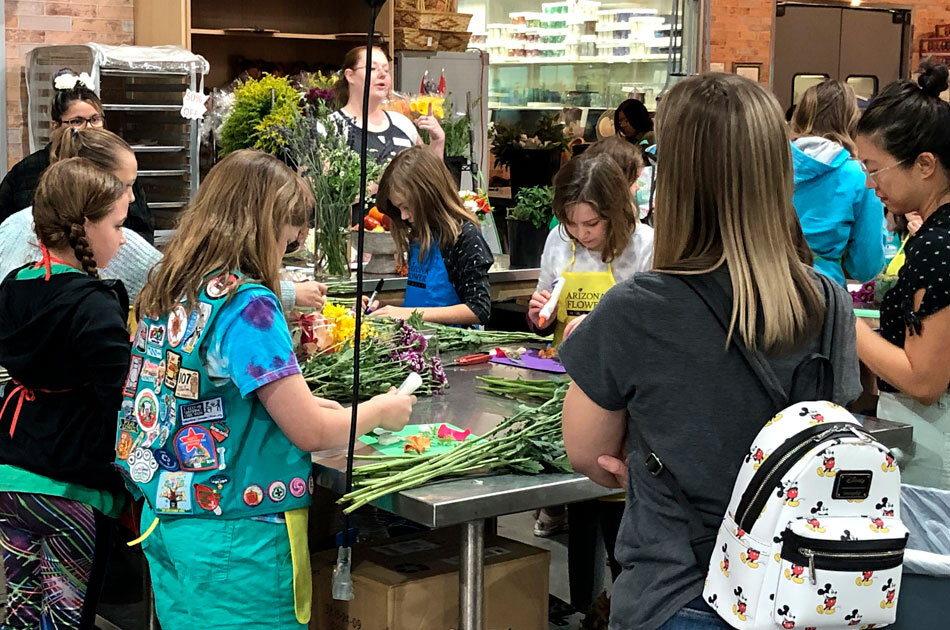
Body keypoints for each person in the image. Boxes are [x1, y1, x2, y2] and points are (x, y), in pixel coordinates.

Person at [557, 73, 861, 629]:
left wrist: (654, 457)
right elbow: (825, 441)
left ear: (674, 180)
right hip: (803, 592)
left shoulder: (638, 308)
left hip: (679, 592)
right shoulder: (828, 302)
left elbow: (587, 453)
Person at [121, 149, 415, 630]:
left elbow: (206, 395)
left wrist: (303, 401)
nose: (292, 243)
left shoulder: (174, 285)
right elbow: (310, 430)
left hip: (168, 518)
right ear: (263, 224)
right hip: (239, 537)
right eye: (289, 231)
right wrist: (381, 409)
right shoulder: (248, 305)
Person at [0, 158, 133, 629]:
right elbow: (123, 401)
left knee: (19, 613)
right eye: (118, 225)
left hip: (12, 477)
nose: (123, 238)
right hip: (70, 490)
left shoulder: (14, 286)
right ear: (85, 226)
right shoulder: (94, 305)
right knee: (64, 618)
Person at [0, 126, 328, 308]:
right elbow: (179, 285)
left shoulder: (14, 224)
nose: (131, 198)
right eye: (124, 186)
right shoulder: (93, 296)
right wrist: (289, 294)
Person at [854, 60, 950, 490]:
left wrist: (843, 321)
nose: (871, 183)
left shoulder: (939, 244)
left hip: (936, 450)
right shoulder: (930, 232)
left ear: (925, 163)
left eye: (876, 169)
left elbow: (924, 379)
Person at [0, 68, 154, 243]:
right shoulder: (28, 171)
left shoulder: (117, 166)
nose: (89, 128)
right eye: (77, 121)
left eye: (95, 119)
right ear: (55, 126)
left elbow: (143, 228)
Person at [528, 145, 654, 345]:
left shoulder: (645, 245)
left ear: (615, 213)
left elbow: (654, 325)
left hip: (620, 371)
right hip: (561, 367)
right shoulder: (558, 239)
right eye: (570, 223)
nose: (581, 233)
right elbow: (543, 308)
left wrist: (605, 325)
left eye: (592, 223)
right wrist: (541, 319)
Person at [367, 146, 493, 326]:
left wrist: (405, 313)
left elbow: (478, 309)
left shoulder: (464, 237)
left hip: (452, 345)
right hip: (418, 340)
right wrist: (385, 308)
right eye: (398, 208)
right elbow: (422, 304)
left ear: (428, 196)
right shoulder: (418, 235)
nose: (403, 216)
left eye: (407, 206)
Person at [790, 79, 885, 286]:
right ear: (852, 121)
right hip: (824, 293)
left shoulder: (771, 164)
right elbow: (866, 266)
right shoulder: (859, 176)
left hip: (763, 289)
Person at [331, 46, 444, 164]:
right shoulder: (332, 127)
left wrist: (438, 141)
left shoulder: (402, 124)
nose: (382, 74)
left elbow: (429, 175)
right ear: (350, 75)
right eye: (373, 68)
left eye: (386, 70)